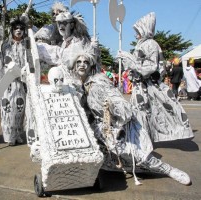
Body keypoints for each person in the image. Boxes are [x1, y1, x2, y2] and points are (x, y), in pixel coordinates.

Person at [69, 45, 191, 185]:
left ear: (91, 65)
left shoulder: (99, 81)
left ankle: (168, 170)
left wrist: (119, 107)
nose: (82, 65)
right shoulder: (76, 84)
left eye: (85, 62)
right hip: (94, 127)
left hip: (115, 124)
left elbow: (113, 95)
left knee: (136, 154)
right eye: (79, 62)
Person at [118, 12, 194, 143]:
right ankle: (142, 138)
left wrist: (131, 62)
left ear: (145, 30)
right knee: (143, 112)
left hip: (148, 85)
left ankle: (142, 140)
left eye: (138, 31)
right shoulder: (143, 44)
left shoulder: (150, 44)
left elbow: (151, 66)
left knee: (146, 111)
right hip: (141, 85)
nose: (136, 35)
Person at [0, 15, 28, 146]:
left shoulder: (27, 45)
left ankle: (17, 134)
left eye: (21, 28)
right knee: (7, 109)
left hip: (21, 82)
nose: (18, 30)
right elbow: (1, 63)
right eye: (16, 28)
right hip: (8, 81)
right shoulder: (5, 46)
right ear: (11, 30)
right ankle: (9, 136)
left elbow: (29, 62)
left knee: (20, 109)